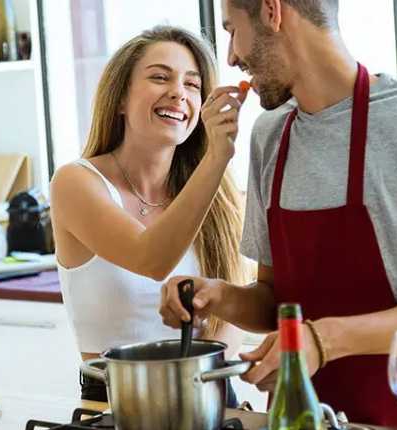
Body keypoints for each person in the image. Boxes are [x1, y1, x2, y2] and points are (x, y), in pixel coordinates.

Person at [158, 1, 397, 428]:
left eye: (231, 30)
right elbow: (274, 300)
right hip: (301, 417)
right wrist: (219, 296)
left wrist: (323, 340)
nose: (231, 57)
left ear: (272, 12)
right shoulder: (270, 136)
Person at [50, 25, 250, 405]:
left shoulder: (220, 199)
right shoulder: (75, 183)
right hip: (116, 406)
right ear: (121, 98)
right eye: (160, 77)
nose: (178, 92)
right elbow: (151, 258)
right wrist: (217, 157)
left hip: (208, 399)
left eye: (193, 85)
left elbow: (232, 316)